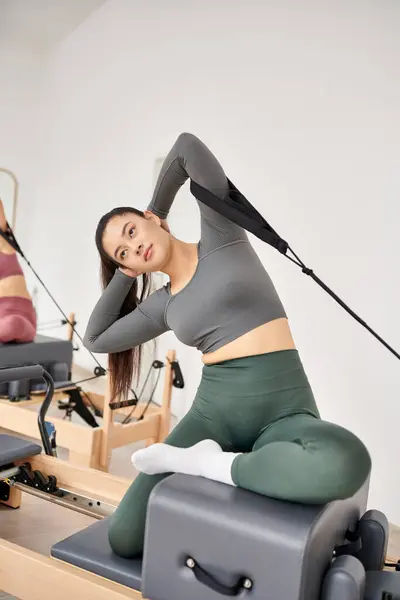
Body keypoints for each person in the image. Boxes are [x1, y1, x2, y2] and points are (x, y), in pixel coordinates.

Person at [83, 132, 371, 558]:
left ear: (150, 219)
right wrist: (125, 273)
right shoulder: (162, 306)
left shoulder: (222, 232)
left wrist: (156, 209)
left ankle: (207, 465)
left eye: (132, 231)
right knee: (124, 538)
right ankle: (211, 461)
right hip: (213, 417)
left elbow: (186, 149)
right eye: (123, 252)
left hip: (285, 409)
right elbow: (96, 336)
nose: (134, 246)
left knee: (347, 462)